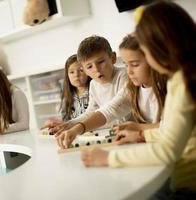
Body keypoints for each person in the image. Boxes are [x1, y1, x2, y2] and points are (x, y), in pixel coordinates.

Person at [81, 1, 196, 198]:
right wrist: (142, 136)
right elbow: (171, 131)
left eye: (144, 53)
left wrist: (109, 158)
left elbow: (168, 150)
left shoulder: (184, 84)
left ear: (161, 48)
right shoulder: (181, 78)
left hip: (187, 186)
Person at [56, 35, 167, 149]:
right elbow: (104, 111)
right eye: (126, 64)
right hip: (148, 141)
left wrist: (138, 128)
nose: (129, 71)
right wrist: (73, 126)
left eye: (134, 64)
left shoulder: (166, 87)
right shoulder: (132, 86)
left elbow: (169, 128)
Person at [50, 35, 128, 135]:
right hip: (113, 133)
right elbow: (91, 112)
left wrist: (79, 127)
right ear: (85, 70)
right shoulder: (94, 84)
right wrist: (70, 124)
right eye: (89, 66)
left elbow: (114, 112)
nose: (96, 69)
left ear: (113, 58)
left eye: (101, 62)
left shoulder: (124, 76)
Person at [44, 54, 91, 127]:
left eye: (81, 70)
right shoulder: (67, 97)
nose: (76, 75)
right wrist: (56, 123)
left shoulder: (94, 91)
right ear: (67, 75)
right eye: (72, 72)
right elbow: (65, 121)